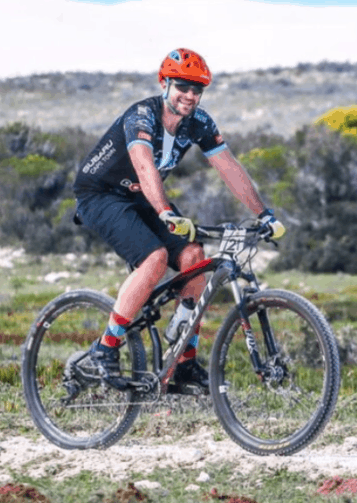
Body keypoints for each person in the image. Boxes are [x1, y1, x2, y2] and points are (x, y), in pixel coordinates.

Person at [73, 48, 285, 392]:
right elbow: (144, 166)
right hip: (101, 194)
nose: (190, 95)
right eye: (182, 87)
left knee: (194, 257)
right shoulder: (142, 115)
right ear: (165, 84)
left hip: (142, 196)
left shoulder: (198, 122)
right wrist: (166, 212)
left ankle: (184, 363)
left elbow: (229, 167)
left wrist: (263, 213)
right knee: (155, 258)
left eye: (197, 89)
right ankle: (105, 348)